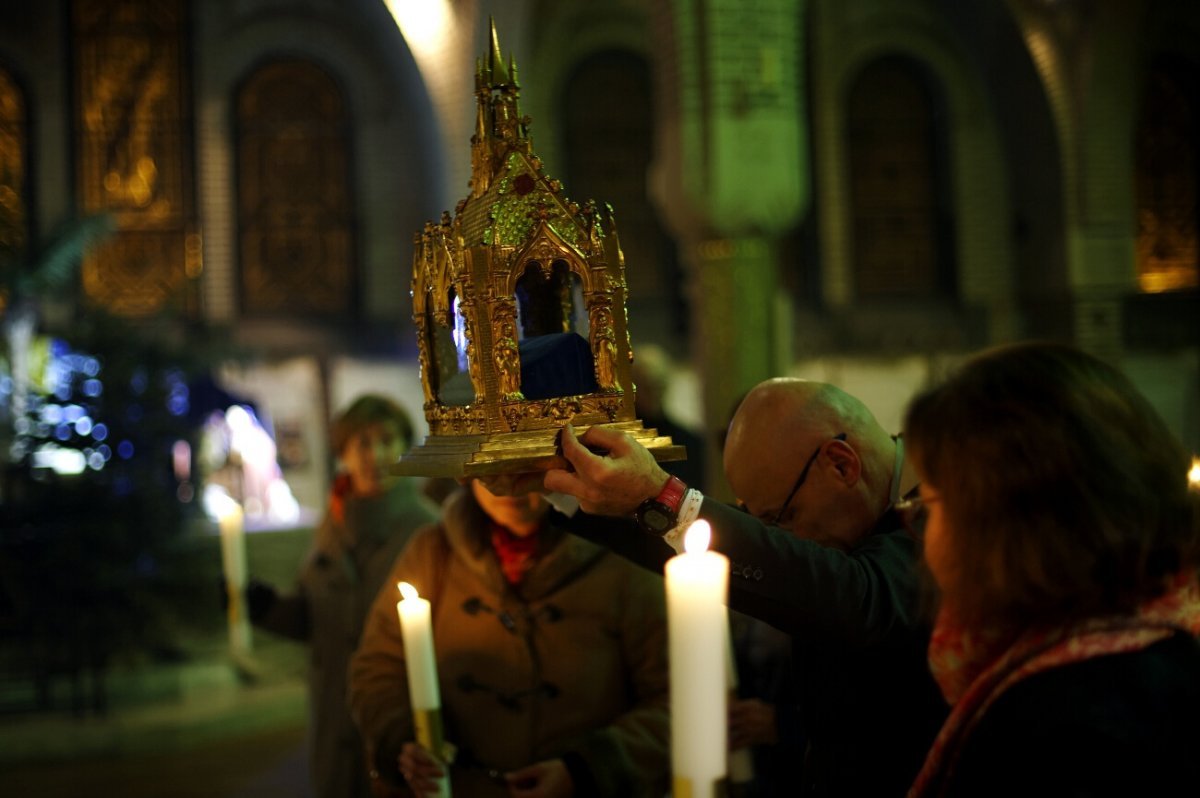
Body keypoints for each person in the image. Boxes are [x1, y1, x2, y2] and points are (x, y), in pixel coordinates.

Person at [520, 378, 948, 797]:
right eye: (761, 523)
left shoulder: (947, 506)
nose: (782, 540)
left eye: (780, 518)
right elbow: (729, 545)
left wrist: (663, 497)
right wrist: (570, 490)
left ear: (841, 464)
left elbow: (856, 597)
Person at [902, 341, 1200, 797]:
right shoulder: (1167, 648)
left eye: (930, 502)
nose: (923, 532)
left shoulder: (1056, 727)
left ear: (1003, 528)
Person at [348, 479, 670, 798]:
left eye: (528, 471)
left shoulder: (625, 559)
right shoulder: (433, 552)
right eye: (493, 469)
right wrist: (406, 739)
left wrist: (588, 769)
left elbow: (675, 698)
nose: (510, 487)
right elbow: (378, 668)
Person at [246, 394, 439, 798]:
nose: (376, 455)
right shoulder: (332, 524)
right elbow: (317, 618)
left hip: (399, 717)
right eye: (362, 443)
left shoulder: (429, 529)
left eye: (387, 440)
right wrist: (269, 610)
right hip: (334, 717)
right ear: (344, 452)